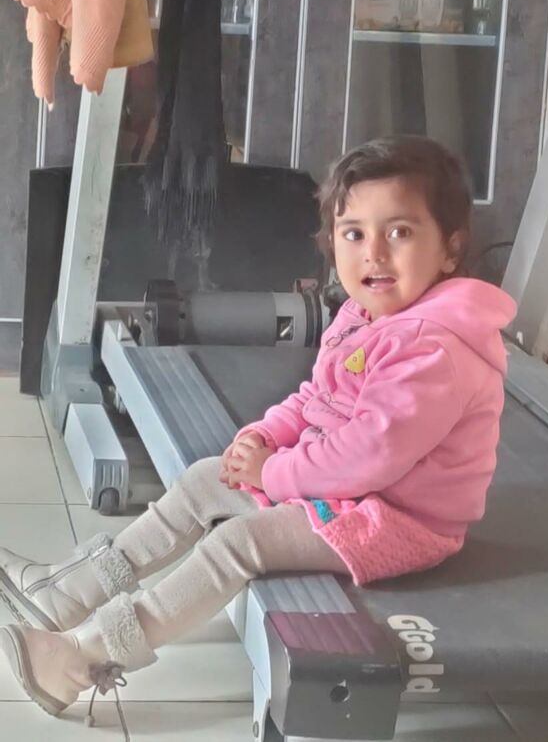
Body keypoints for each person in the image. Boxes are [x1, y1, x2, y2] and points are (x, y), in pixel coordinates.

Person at [0, 135, 516, 722]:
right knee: (204, 480)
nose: (373, 253)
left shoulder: (432, 350)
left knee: (239, 542)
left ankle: (82, 659)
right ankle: (65, 593)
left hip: (395, 518)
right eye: (353, 234)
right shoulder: (363, 315)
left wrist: (274, 473)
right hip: (350, 489)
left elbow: (370, 455)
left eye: (399, 232)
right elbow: (317, 397)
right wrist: (265, 436)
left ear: (450, 249)